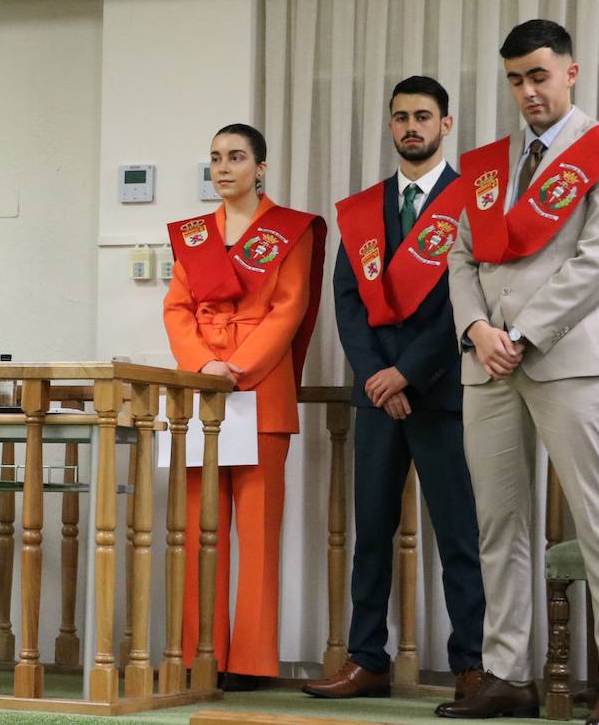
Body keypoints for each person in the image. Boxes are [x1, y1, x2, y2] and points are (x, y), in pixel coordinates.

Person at [440, 20, 599, 725]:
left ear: (571, 71)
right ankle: (507, 674)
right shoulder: (489, 164)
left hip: (566, 359)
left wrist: (522, 335)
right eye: (514, 79)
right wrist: (476, 329)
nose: (527, 90)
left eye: (538, 74)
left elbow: (597, 265)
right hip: (487, 361)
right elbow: (460, 256)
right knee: (498, 522)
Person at [304, 76, 485, 702]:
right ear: (390, 125)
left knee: (459, 534)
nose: (412, 126)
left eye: (424, 116)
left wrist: (407, 372)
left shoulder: (470, 202)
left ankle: (472, 664)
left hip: (444, 393)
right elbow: (347, 303)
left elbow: (469, 301)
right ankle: (367, 660)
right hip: (378, 397)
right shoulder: (361, 211)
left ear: (446, 124)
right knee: (371, 532)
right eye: (402, 117)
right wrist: (380, 378)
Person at [163, 123, 325, 690]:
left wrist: (238, 367)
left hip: (261, 393)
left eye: (236, 157)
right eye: (215, 158)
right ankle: (196, 652)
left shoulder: (291, 230)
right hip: (202, 393)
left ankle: (250, 660)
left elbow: (290, 307)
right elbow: (177, 308)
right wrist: (203, 366)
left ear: (261, 167)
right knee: (198, 529)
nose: (223, 167)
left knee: (257, 535)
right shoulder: (191, 235)